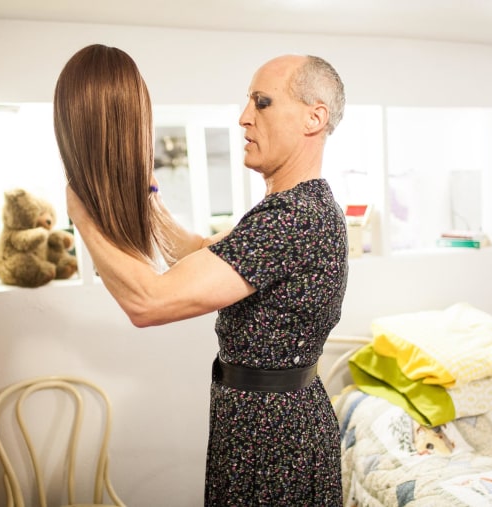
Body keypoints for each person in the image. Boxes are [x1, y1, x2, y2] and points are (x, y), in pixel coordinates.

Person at [54, 44, 348, 505]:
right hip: (259, 425)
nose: (244, 117)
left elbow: (147, 302)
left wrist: (83, 215)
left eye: (262, 102)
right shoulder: (287, 210)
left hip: (276, 442)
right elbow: (194, 252)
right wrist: (146, 191)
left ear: (314, 118)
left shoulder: (294, 217)